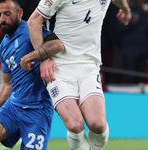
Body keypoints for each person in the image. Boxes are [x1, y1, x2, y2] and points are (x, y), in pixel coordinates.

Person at [23, 0, 132, 150]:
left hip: (88, 65)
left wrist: (126, 10)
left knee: (98, 125)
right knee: (75, 125)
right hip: (59, 67)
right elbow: (34, 21)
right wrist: (44, 58)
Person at [0, 0, 64, 150]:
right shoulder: (3, 47)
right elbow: (8, 84)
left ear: (19, 13)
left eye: (7, 14)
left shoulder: (31, 30)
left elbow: (57, 45)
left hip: (38, 109)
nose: (2, 19)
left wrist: (31, 56)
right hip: (14, 106)